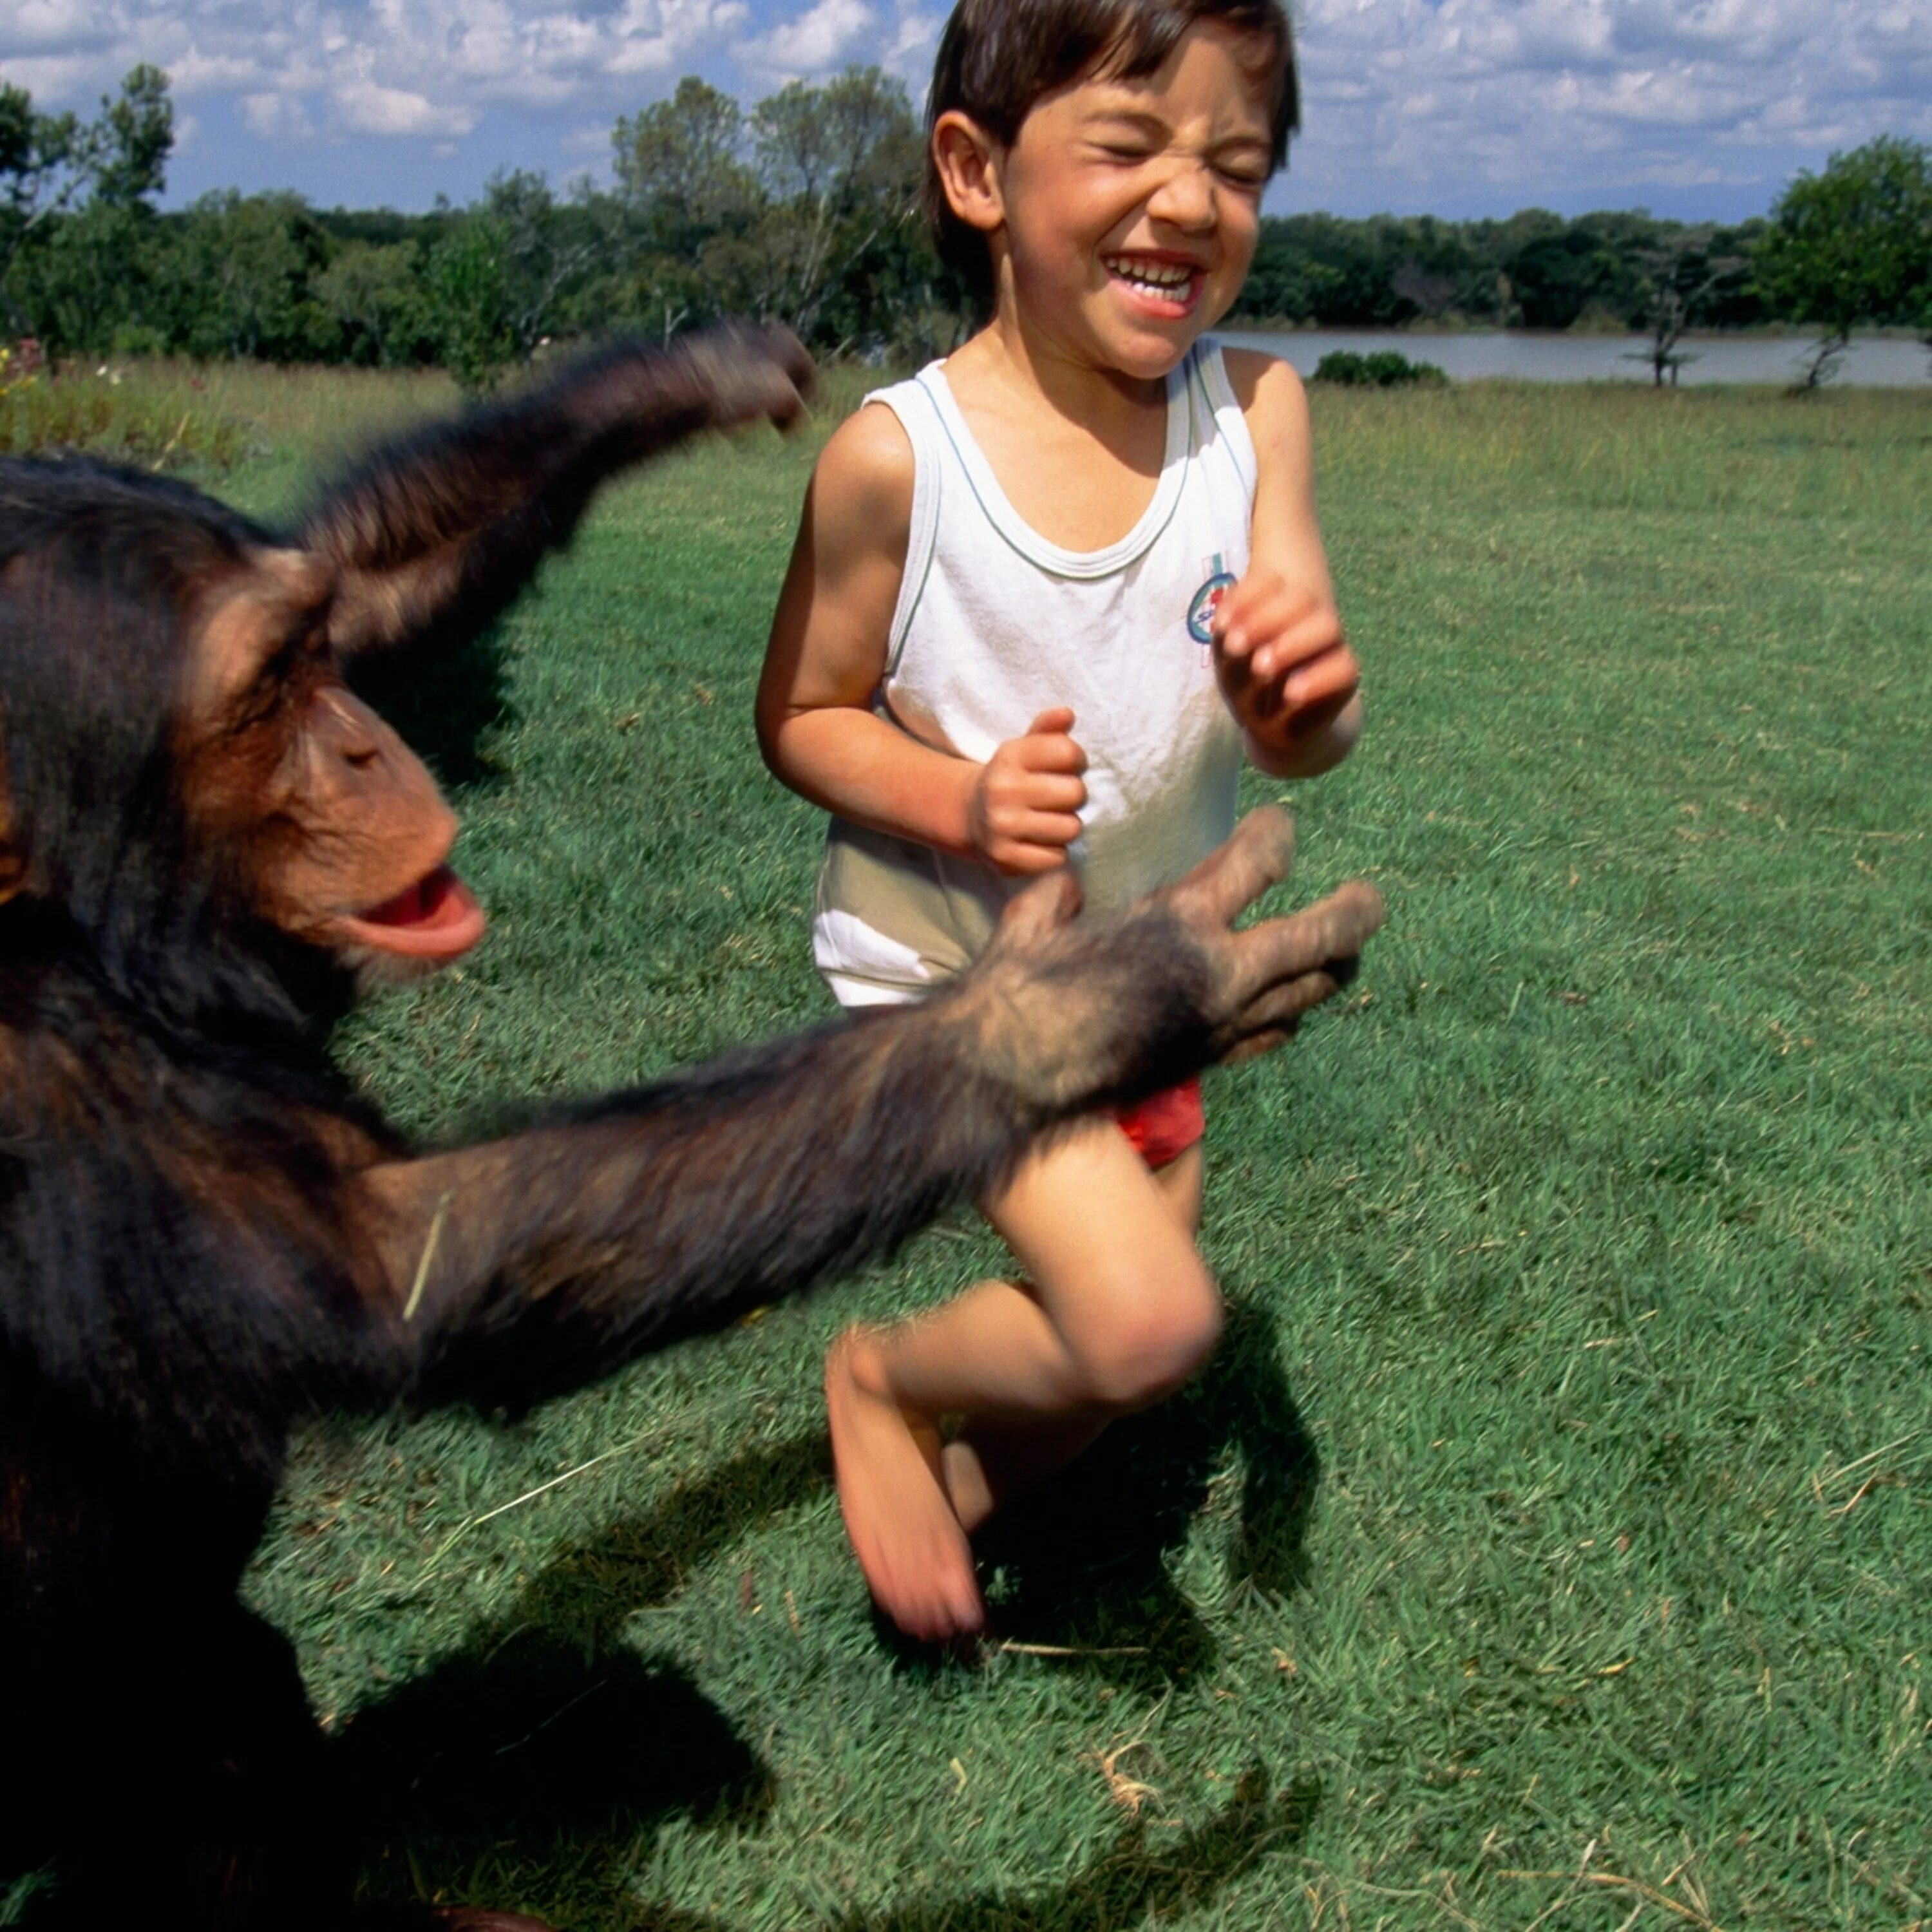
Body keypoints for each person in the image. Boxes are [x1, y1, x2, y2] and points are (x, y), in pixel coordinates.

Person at [755, 0, 1363, 1642]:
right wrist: (957, 794)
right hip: (960, 977)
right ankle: (879, 1384)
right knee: (1152, 1315)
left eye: (1235, 165)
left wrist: (1306, 708)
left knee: (1108, 1364)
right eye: (1128, 144)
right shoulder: (899, 462)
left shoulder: (1259, 416)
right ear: (976, 171)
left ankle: (948, 1497)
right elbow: (799, 718)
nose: (1189, 199)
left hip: (1149, 985)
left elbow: (1304, 726)